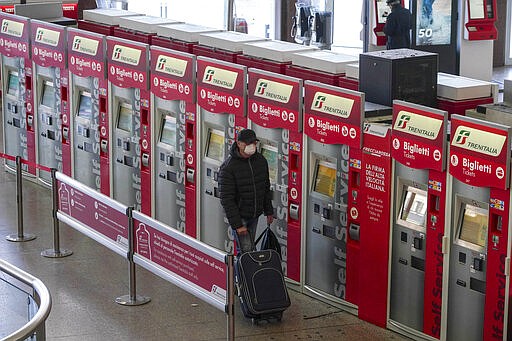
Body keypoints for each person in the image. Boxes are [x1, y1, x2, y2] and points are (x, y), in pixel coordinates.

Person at [218, 129, 274, 254]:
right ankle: (241, 273)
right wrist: (238, 225)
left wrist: (268, 210)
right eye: (248, 143)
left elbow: (265, 187)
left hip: (255, 214)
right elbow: (227, 200)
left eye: (253, 143)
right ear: (238, 143)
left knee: (249, 249)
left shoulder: (260, 161)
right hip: (241, 216)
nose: (251, 146)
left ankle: (246, 272)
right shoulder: (228, 168)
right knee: (246, 250)